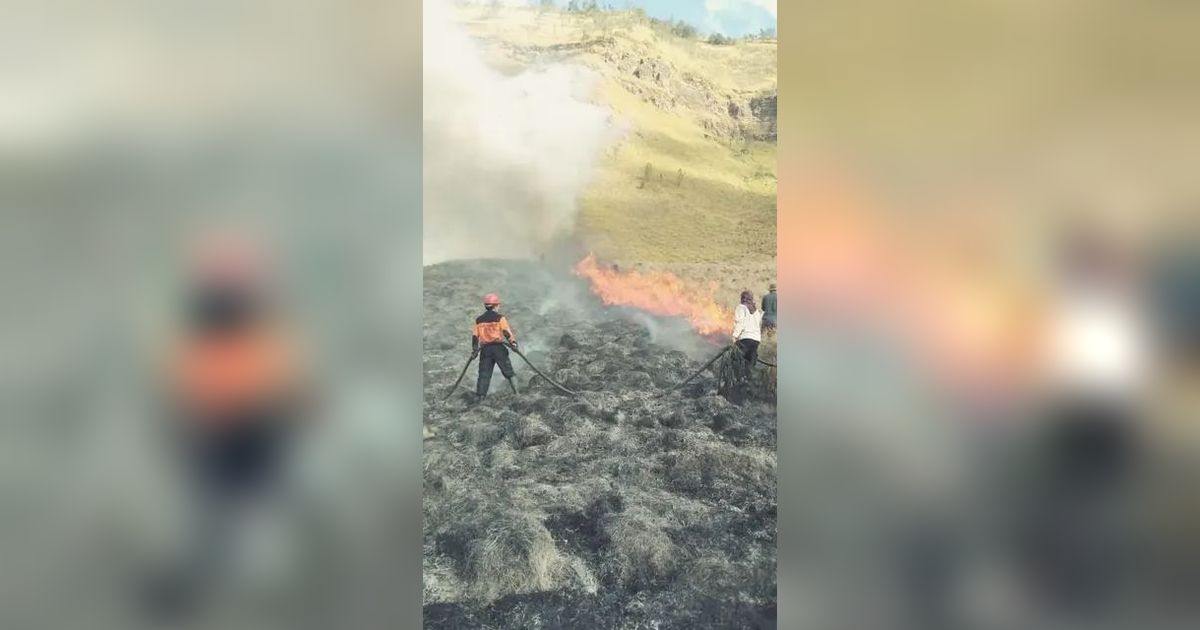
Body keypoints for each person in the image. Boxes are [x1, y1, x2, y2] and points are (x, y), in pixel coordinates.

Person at [147, 236, 309, 618]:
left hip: (231, 434)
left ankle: (227, 579)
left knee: (223, 509)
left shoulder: (205, 337)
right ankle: (239, 579)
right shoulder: (266, 336)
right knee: (239, 508)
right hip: (240, 433)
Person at [472, 293, 518, 398]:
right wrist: (513, 343)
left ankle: (481, 397)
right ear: (496, 306)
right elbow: (506, 332)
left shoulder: (478, 320)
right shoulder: (500, 318)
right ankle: (517, 394)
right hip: (498, 348)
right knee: (509, 373)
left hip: (485, 350)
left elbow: (475, 337)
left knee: (484, 375)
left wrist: (474, 350)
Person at [732, 289, 764, 383]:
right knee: (749, 363)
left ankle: (738, 381)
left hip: (745, 338)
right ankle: (749, 383)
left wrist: (735, 336)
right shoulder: (757, 311)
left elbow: (740, 322)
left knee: (735, 358)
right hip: (756, 340)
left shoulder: (741, 307)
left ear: (743, 299)